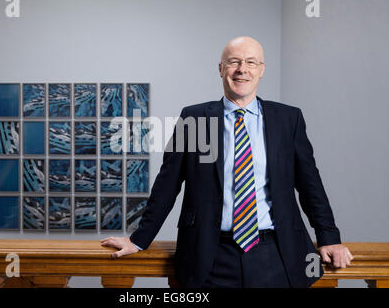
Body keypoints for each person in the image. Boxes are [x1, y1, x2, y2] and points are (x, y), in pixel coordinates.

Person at [100, 36, 353, 288]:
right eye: (234, 62)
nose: (242, 69)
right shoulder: (195, 118)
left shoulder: (288, 119)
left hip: (276, 254)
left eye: (251, 62)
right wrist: (139, 239)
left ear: (261, 70)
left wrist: (328, 236)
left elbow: (310, 185)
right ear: (221, 69)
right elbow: (167, 185)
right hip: (209, 256)